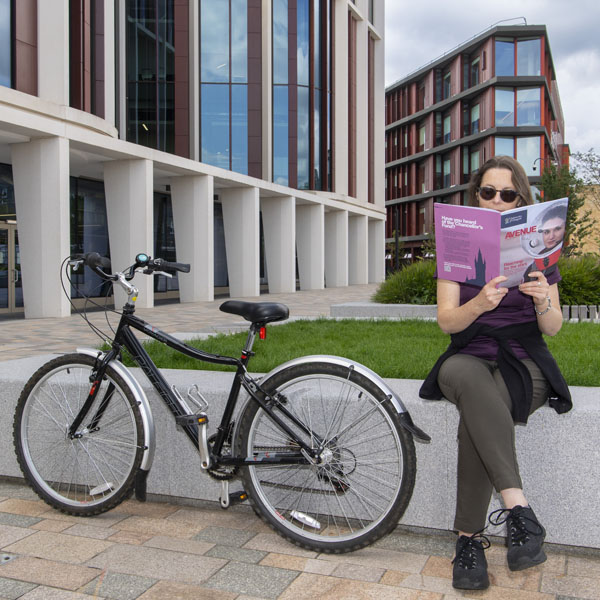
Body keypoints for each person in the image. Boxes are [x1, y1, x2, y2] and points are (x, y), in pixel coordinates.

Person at [419, 155, 572, 591]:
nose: (498, 201)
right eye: (489, 192)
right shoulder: (458, 244)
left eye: (509, 194)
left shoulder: (541, 249)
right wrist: (480, 304)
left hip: (525, 358)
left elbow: (554, 327)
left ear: (523, 199)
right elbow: (447, 322)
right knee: (470, 382)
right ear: (476, 196)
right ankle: (518, 510)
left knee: (479, 418)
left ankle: (468, 542)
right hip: (469, 351)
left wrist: (543, 298)